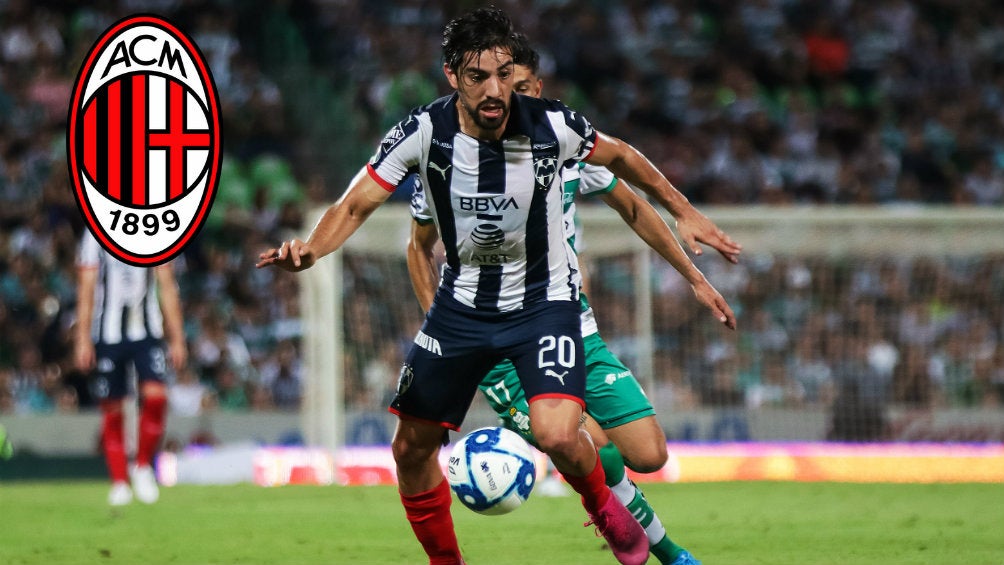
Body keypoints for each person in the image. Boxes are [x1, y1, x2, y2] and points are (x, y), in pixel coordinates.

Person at [257, 8, 731, 565]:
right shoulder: (422, 133)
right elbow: (356, 203)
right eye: (478, 76)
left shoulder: (552, 126)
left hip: (545, 304)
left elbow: (623, 156)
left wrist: (684, 211)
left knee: (563, 435)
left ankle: (604, 505)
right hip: (461, 309)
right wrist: (313, 249)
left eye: (504, 75)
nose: (495, 90)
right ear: (452, 75)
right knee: (410, 449)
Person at [405, 35, 737, 565]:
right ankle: (670, 554)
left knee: (649, 454)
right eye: (492, 85)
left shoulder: (565, 146)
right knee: (591, 447)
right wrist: (444, 335)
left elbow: (635, 208)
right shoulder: (448, 158)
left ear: (536, 90)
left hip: (572, 327)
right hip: (498, 342)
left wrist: (695, 278)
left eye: (517, 86)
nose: (504, 96)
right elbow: (418, 248)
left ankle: (601, 490)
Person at [74, 230, 187, 506]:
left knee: (157, 396)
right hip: (107, 335)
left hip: (147, 331)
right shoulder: (94, 235)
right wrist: (83, 338)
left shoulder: (155, 229)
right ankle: (119, 481)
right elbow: (87, 287)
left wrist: (177, 338)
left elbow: (167, 285)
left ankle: (142, 465)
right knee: (112, 408)